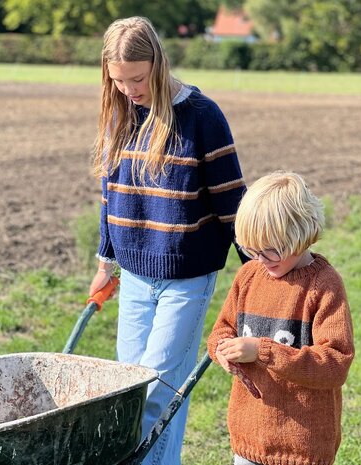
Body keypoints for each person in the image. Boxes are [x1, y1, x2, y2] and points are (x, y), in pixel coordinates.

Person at [88, 16, 246, 465]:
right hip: (136, 278)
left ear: (157, 63)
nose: (129, 89)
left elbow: (232, 203)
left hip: (186, 280)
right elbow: (110, 196)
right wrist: (106, 262)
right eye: (119, 81)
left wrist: (259, 268)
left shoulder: (201, 117)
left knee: (160, 392)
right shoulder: (118, 114)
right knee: (130, 391)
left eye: (137, 78)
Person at [207, 171, 355, 465]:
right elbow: (221, 330)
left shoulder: (323, 286)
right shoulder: (249, 276)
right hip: (248, 439)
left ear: (300, 234)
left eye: (271, 249)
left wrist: (262, 351)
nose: (261, 258)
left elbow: (335, 364)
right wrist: (222, 350)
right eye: (252, 249)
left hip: (303, 444)